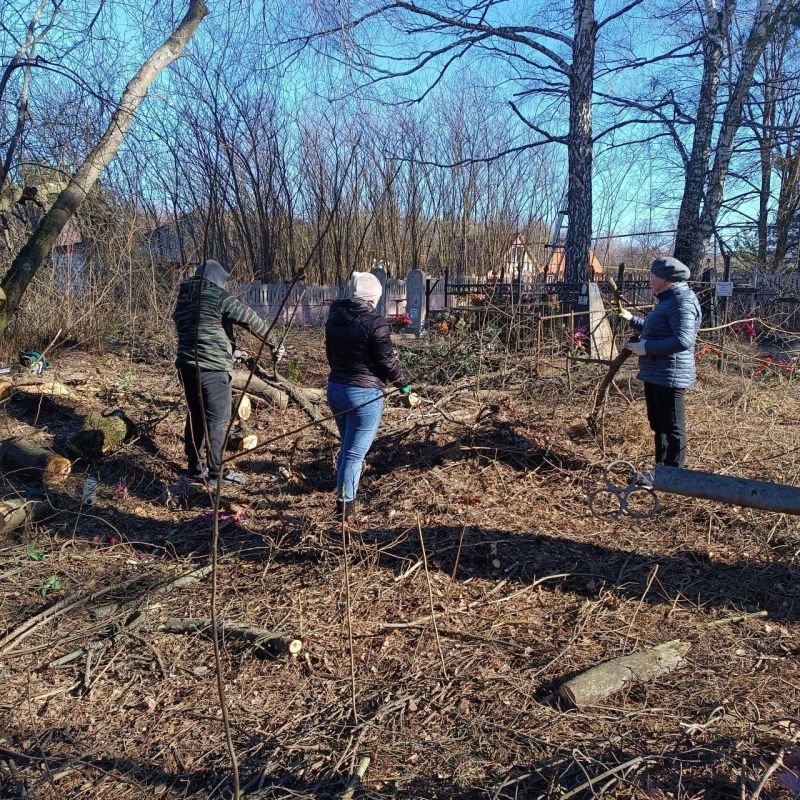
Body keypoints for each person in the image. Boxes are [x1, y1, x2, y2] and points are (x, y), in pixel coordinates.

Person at [172, 259, 284, 487]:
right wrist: (275, 342)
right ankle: (216, 474)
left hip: (186, 367)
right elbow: (249, 319)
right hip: (212, 369)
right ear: (215, 279)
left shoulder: (185, 299)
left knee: (196, 415)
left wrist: (230, 350)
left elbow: (201, 331)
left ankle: (195, 466)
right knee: (217, 420)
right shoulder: (216, 296)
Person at [325, 271, 411, 518]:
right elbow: (386, 362)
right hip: (364, 396)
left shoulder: (335, 317)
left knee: (348, 447)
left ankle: (346, 495)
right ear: (373, 298)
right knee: (354, 454)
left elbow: (329, 354)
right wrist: (403, 386)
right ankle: (345, 509)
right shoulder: (375, 322)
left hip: (336, 389)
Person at [618, 256, 701, 472]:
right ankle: (660, 471)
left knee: (672, 428)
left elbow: (683, 340)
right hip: (656, 372)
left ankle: (673, 475)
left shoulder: (681, 301)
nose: (650, 281)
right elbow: (658, 330)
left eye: (652, 277)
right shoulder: (668, 299)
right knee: (659, 425)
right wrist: (631, 319)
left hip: (669, 373)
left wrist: (646, 348)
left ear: (664, 279)